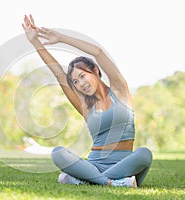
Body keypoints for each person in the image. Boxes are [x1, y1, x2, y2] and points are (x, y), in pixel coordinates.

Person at [22, 14, 152, 188]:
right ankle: (111, 183)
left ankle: (83, 179)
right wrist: (35, 42)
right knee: (58, 153)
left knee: (145, 154)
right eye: (75, 81)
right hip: (94, 164)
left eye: (83, 76)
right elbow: (59, 74)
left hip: (125, 164)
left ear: (95, 71)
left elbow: (98, 52)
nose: (81, 83)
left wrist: (61, 38)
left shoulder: (120, 91)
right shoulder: (85, 106)